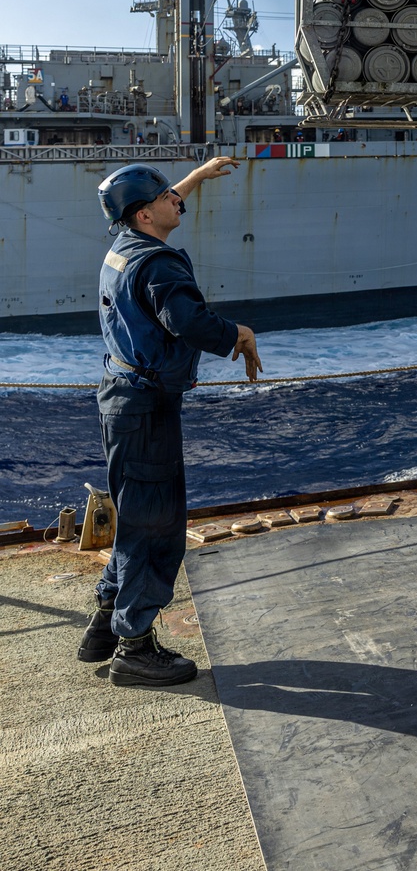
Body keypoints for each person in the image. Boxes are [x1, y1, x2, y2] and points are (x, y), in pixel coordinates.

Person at [77, 159, 262, 686]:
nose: (176, 201)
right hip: (149, 408)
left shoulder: (123, 247)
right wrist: (238, 334)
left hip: (120, 397)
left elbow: (153, 203)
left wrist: (197, 177)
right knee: (155, 528)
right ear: (144, 213)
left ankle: (104, 628)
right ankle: (135, 648)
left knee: (135, 514)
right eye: (167, 197)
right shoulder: (158, 265)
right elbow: (189, 322)